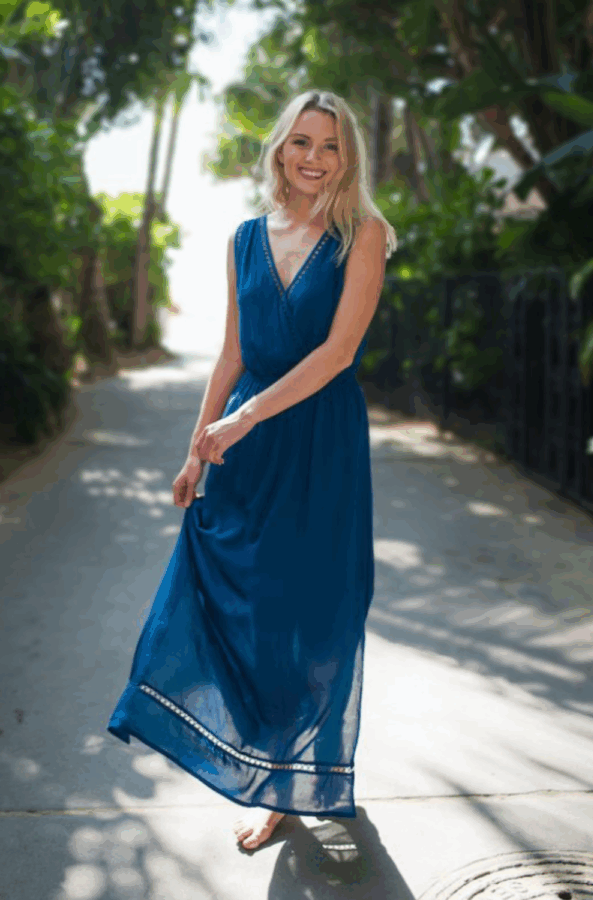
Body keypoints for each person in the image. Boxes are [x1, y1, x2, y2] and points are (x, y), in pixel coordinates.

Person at [107, 88, 397, 852]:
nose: (313, 158)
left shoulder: (363, 234)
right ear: (279, 148)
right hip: (248, 446)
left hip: (320, 443)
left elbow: (337, 355)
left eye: (330, 145)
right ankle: (274, 777)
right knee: (251, 608)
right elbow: (233, 352)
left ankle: (299, 777)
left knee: (315, 611)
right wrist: (195, 448)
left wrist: (244, 418)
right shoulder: (244, 238)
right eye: (301, 141)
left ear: (348, 158)